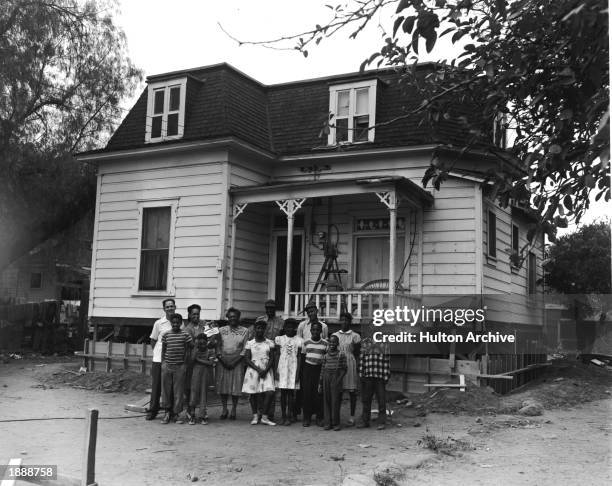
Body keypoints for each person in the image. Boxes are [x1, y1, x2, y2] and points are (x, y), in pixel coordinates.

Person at [216, 307, 248, 420]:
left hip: (237, 361)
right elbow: (218, 346)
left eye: (235, 316)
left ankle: (234, 409)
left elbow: (245, 348)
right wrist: (222, 359)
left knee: (235, 386)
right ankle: (224, 409)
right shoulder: (221, 330)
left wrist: (235, 361)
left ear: (238, 318)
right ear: (227, 318)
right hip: (223, 361)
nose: (232, 318)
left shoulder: (245, 331)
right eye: (230, 317)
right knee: (223, 386)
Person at [242, 320, 276, 426]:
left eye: (262, 328)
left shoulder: (269, 342)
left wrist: (265, 370)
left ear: (264, 330)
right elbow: (247, 359)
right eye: (258, 328)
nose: (260, 330)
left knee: (269, 392)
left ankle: (265, 417)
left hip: (266, 370)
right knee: (254, 393)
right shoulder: (250, 343)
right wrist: (258, 369)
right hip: (253, 369)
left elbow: (272, 358)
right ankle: (255, 416)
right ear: (255, 329)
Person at [146, 298, 176, 421]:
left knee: (171, 387)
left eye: (171, 306)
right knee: (157, 386)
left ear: (175, 307)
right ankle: (153, 410)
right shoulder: (159, 323)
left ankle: (171, 411)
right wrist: (157, 354)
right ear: (164, 309)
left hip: (173, 360)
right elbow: (153, 340)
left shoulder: (179, 322)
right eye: (167, 306)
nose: (170, 308)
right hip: (159, 360)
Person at [161, 313, 193, 424]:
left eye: (177, 323)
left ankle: (177, 414)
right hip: (167, 366)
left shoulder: (185, 335)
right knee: (166, 391)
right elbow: (163, 349)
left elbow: (189, 349)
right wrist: (163, 363)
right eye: (173, 322)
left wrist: (184, 364)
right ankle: (166, 413)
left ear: (180, 323)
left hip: (180, 367)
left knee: (178, 392)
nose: (175, 324)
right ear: (171, 323)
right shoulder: (166, 335)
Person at [332, 312, 361, 426]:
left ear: (350, 322)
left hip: (350, 363)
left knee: (352, 392)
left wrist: (358, 366)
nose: (344, 322)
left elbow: (357, 353)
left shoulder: (355, 336)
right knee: (338, 391)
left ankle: (352, 416)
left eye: (346, 320)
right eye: (342, 320)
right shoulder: (335, 335)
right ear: (340, 321)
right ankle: (336, 416)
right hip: (338, 364)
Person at [357, 336, 391, 430]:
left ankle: (381, 422)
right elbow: (362, 359)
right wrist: (361, 374)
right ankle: (365, 421)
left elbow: (387, 360)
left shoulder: (385, 342)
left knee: (381, 400)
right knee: (366, 400)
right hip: (368, 376)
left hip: (380, 376)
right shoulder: (365, 342)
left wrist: (387, 375)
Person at [274, 318, 302, 425]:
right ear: (284, 328)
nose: (289, 329)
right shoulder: (279, 339)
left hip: (293, 368)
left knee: (291, 394)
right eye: (287, 327)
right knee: (283, 394)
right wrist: (276, 370)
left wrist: (297, 372)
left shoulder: (299, 340)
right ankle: (283, 415)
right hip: (282, 368)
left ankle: (290, 414)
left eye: (292, 327)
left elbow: (299, 356)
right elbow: (277, 355)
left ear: (295, 328)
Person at [300, 321, 327, 427]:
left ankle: (319, 417)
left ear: (321, 331)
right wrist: (302, 374)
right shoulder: (306, 342)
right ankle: (307, 417)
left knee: (319, 394)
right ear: (310, 331)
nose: (315, 331)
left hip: (319, 370)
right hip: (308, 369)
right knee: (307, 393)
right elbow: (302, 358)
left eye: (318, 330)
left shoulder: (325, 343)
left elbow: (325, 358)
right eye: (313, 329)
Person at [319, 334, 347, 431]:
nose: (332, 344)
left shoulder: (341, 354)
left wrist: (338, 380)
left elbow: (344, 369)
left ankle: (336, 423)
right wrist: (320, 383)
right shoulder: (325, 355)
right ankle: (328, 423)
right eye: (330, 342)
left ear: (337, 343)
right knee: (326, 400)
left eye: (334, 342)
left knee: (335, 401)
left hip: (336, 378)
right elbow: (322, 369)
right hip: (326, 377)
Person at [187, 333, 216, 425]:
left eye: (204, 343)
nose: (202, 345)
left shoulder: (210, 351)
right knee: (193, 394)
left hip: (205, 375)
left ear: (207, 342)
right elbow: (191, 361)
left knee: (204, 395)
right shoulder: (195, 350)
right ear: (197, 343)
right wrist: (195, 348)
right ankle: (192, 415)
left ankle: (202, 416)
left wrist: (198, 360)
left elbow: (211, 363)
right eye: (200, 344)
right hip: (195, 375)